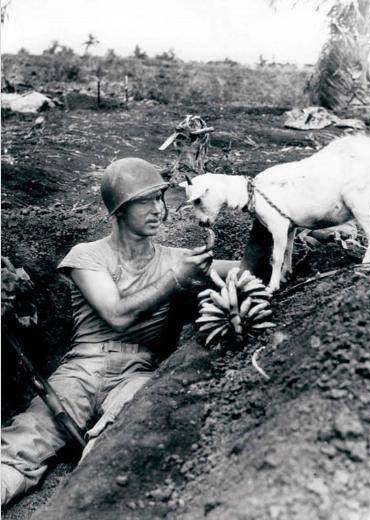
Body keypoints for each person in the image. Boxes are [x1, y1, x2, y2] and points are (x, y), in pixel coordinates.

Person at [1, 157, 239, 507]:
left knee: (120, 446)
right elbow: (117, 315)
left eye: (160, 198)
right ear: (119, 210)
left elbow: (247, 270)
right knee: (22, 445)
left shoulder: (177, 258)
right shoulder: (87, 256)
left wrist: (270, 229)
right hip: (82, 370)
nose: (158, 209)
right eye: (146, 201)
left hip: (139, 373)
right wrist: (177, 277)